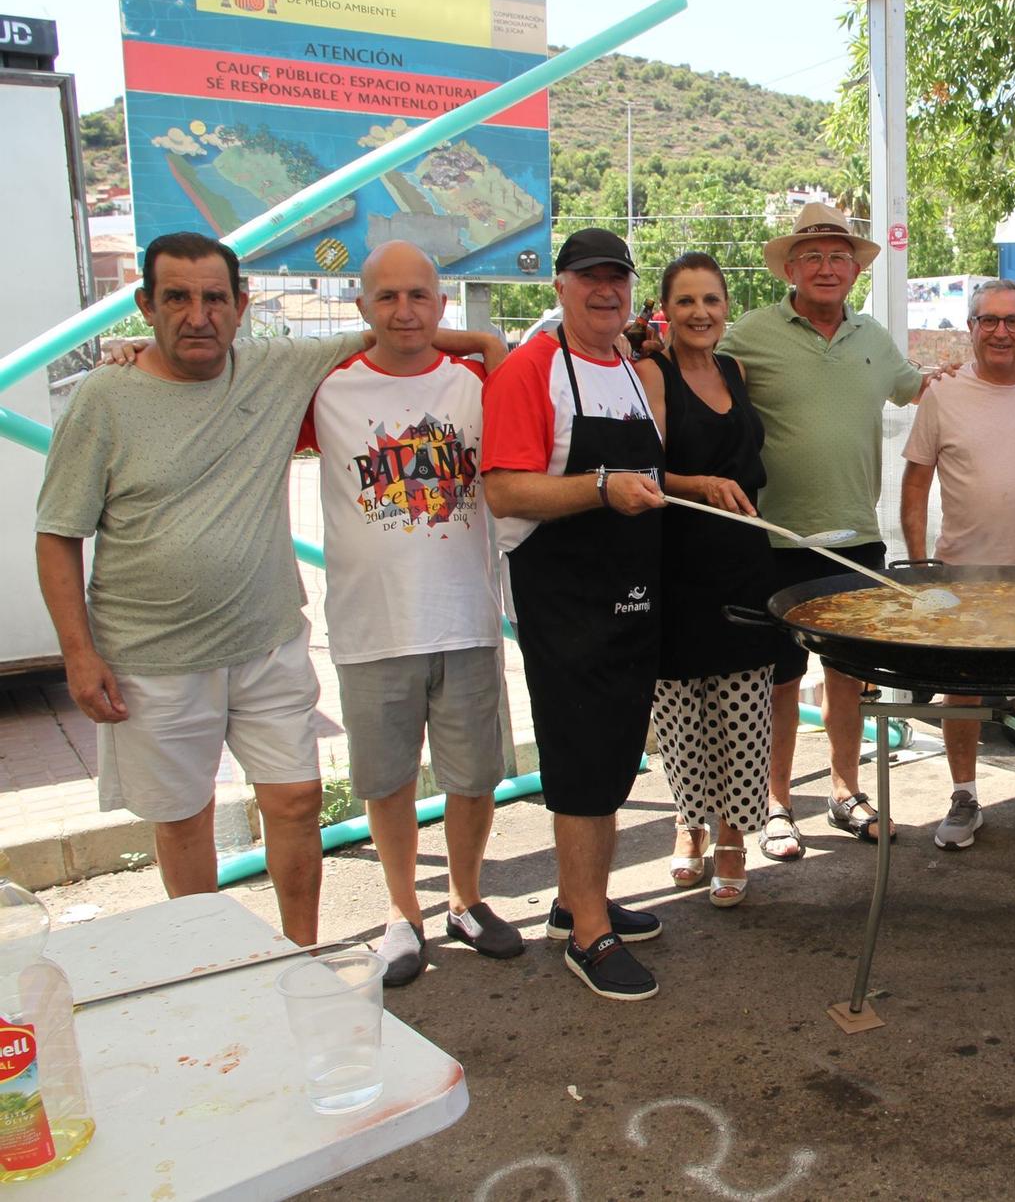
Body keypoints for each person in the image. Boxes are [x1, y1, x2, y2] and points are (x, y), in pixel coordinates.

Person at [34, 233, 367, 946]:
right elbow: (57, 535)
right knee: (184, 820)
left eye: (215, 297)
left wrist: (489, 349)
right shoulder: (105, 398)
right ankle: (209, 964)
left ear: (242, 306)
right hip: (152, 661)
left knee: (298, 800)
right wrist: (78, 655)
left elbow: (396, 325)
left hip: (268, 642)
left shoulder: (274, 369)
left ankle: (300, 955)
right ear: (145, 306)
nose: (198, 314)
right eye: (177, 297)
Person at [298, 241, 519, 985]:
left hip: (465, 616)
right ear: (360, 308)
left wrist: (482, 344)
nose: (404, 311)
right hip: (371, 627)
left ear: (441, 305)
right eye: (386, 297)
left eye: (419, 296)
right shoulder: (325, 391)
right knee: (387, 780)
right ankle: (403, 913)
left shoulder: (477, 384)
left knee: (473, 776)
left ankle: (465, 897)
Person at [720, 203, 939, 857]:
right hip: (774, 539)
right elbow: (693, 374)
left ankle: (845, 793)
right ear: (790, 267)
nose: (825, 267)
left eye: (838, 256)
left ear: (853, 268)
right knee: (778, 679)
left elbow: (921, 389)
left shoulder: (873, 336)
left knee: (846, 676)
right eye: (811, 256)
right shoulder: (750, 335)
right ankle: (777, 803)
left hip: (856, 536)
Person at [482, 227, 667, 1001]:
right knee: (582, 762)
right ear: (558, 287)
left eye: (616, 279)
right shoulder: (533, 369)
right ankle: (587, 936)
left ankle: (575, 899)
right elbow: (504, 489)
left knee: (613, 755)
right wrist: (600, 487)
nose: (605, 291)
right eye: (588, 279)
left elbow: (646, 474)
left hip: (628, 596)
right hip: (566, 603)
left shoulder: (626, 365)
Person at [900, 279, 1015, 849]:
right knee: (962, 691)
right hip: (962, 570)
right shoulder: (944, 392)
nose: (1001, 332)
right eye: (989, 321)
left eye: (1014, 322)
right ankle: (964, 794)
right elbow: (915, 481)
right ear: (971, 327)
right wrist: (918, 565)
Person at [634, 252, 781, 907]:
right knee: (680, 710)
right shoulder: (650, 372)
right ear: (666, 310)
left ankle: (731, 836)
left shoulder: (735, 369)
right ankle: (687, 822)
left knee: (744, 708)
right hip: (677, 563)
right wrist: (699, 484)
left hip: (745, 562)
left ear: (727, 309)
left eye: (711, 301)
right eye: (686, 302)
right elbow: (639, 473)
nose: (700, 313)